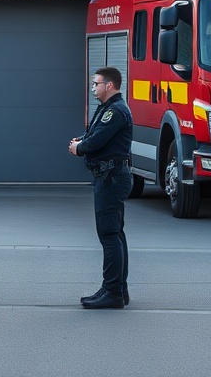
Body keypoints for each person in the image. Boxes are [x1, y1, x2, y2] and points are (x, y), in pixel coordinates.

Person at [68, 66, 133, 309]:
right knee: (115, 234)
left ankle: (112, 292)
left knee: (109, 234)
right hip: (110, 177)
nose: (93, 87)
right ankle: (118, 290)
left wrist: (79, 147)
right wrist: (82, 141)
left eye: (96, 83)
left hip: (111, 178)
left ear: (109, 85)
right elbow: (94, 134)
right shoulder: (108, 109)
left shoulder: (115, 111)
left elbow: (96, 140)